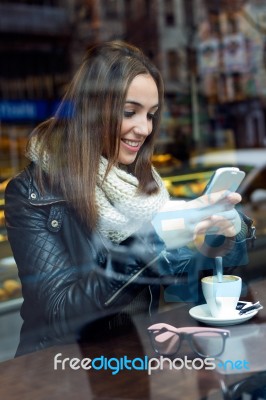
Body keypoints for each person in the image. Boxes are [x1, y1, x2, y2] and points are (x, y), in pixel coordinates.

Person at [4, 41, 254, 357]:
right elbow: (58, 316)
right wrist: (152, 239)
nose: (144, 128)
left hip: (134, 363)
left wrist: (226, 232)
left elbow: (179, 273)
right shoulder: (31, 192)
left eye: (151, 115)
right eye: (129, 112)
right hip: (62, 374)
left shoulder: (140, 187)